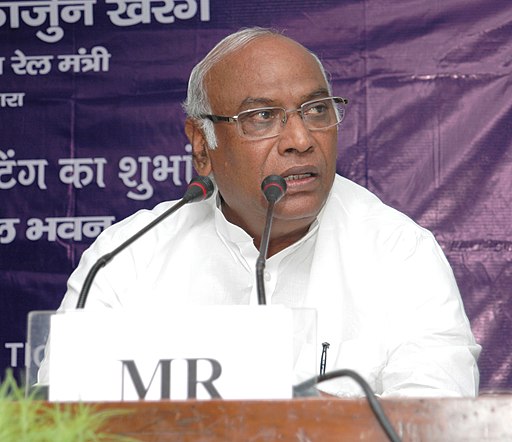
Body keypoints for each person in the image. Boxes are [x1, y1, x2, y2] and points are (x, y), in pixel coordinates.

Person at [50, 27, 480, 397]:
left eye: (316, 110)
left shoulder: (400, 254)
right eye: (261, 116)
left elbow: (435, 419)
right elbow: (63, 416)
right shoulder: (127, 257)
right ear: (202, 145)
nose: (300, 139)